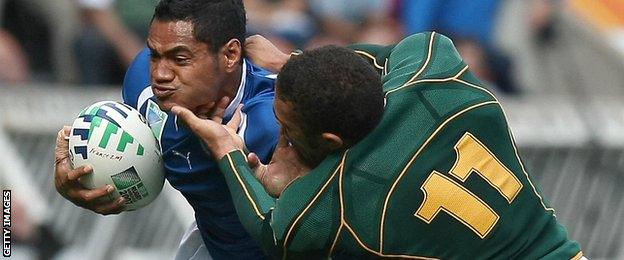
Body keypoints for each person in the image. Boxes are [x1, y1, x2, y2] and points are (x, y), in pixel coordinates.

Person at [172, 32, 584, 258]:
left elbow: (272, 231)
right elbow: (389, 59)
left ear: (331, 140)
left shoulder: (342, 204)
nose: (282, 139)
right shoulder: (436, 71)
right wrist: (294, 63)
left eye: (288, 129)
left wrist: (228, 152)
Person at [54, 0, 280, 259]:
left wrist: (231, 163)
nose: (160, 74)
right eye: (155, 55)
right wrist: (92, 179)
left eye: (180, 59)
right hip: (212, 248)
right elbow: (146, 164)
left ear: (229, 55)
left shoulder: (278, 118)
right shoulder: (143, 87)